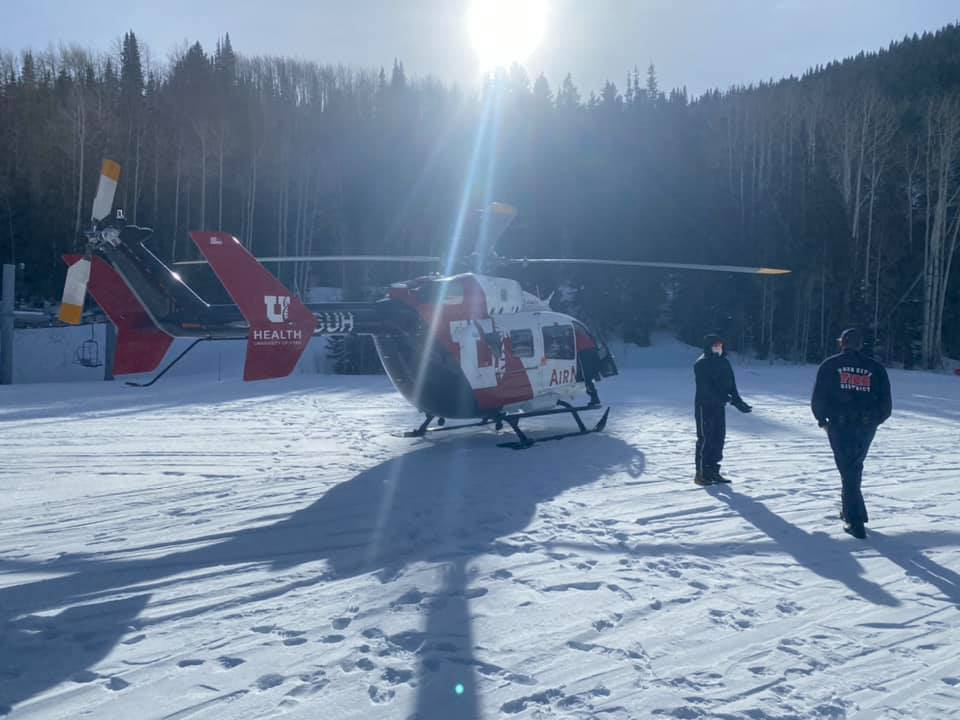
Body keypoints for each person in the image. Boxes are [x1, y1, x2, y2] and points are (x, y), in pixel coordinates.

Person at [811, 328, 892, 539]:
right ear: (860, 344)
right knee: (852, 468)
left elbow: (819, 397)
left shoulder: (830, 364)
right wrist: (873, 422)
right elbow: (886, 405)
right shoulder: (876, 368)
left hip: (839, 426)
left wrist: (822, 420)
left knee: (848, 469)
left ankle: (855, 521)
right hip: (864, 428)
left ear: (842, 343)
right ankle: (852, 511)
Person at [694, 334, 752, 485]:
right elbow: (706, 388)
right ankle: (701, 473)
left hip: (719, 406)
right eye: (715, 345)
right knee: (706, 438)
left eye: (720, 345)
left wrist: (739, 402)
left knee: (718, 438)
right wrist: (728, 399)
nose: (718, 348)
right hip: (704, 406)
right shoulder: (701, 364)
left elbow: (731, 385)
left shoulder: (724, 363)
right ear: (708, 347)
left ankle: (713, 471)